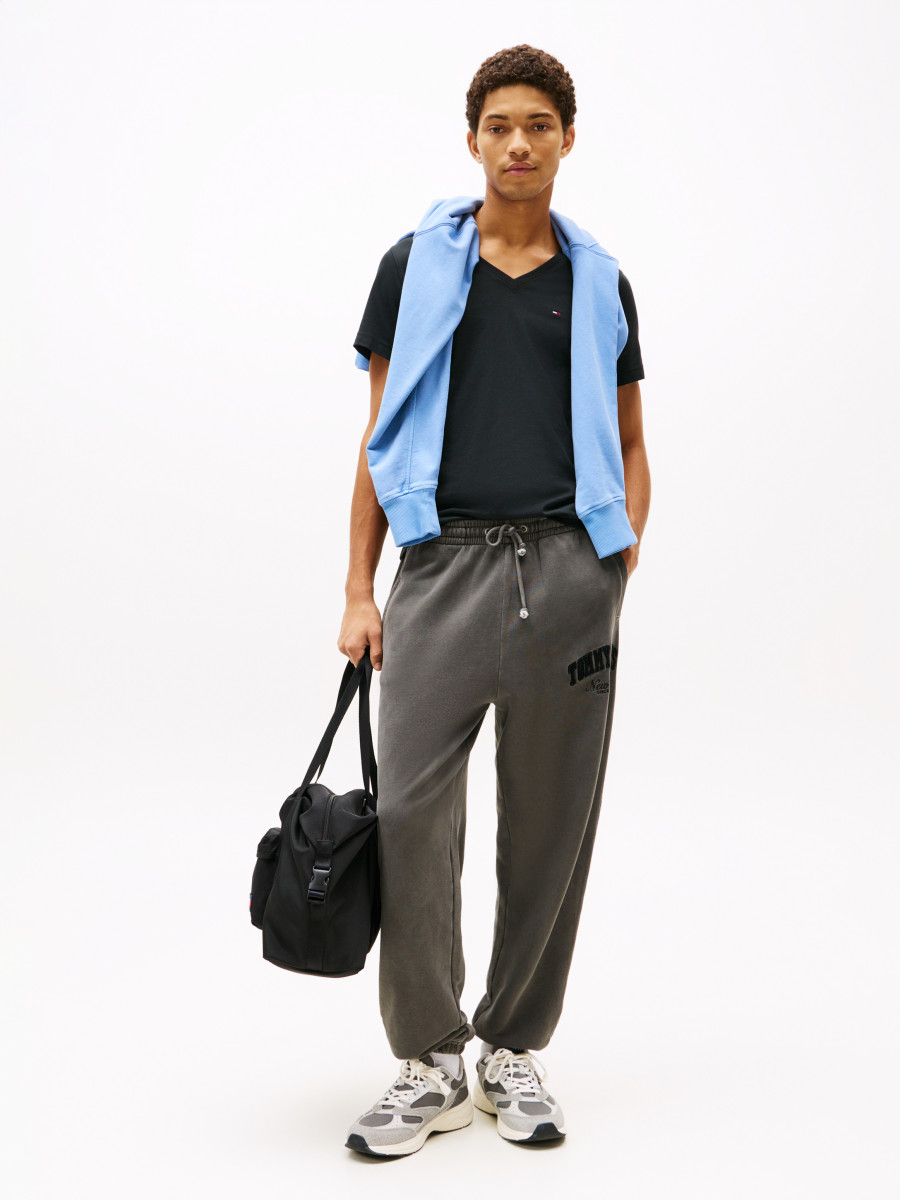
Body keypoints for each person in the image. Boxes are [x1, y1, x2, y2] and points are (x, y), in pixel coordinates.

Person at [338, 43, 651, 1157]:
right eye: (499, 125)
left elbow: (629, 440)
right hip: (442, 567)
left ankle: (512, 1045)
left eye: (539, 125)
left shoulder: (601, 281)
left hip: (568, 571)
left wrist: (612, 571)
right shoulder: (415, 267)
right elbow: (380, 439)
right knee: (412, 815)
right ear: (472, 138)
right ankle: (429, 1059)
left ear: (568, 138)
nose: (519, 143)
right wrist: (360, 589)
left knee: (552, 820)